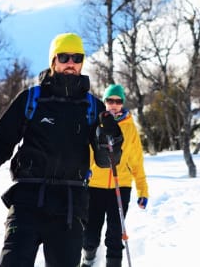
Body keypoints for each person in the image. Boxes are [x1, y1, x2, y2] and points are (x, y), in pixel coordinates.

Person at [0, 32, 123, 267]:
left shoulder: (92, 107)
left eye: (76, 58)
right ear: (53, 61)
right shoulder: (31, 99)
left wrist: (111, 139)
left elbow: (105, 161)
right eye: (64, 57)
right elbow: (1, 144)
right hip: (28, 199)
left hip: (70, 206)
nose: (71, 63)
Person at [81, 84, 149, 267]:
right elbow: (87, 152)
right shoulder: (96, 122)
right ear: (104, 102)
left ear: (122, 103)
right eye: (110, 100)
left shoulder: (129, 128)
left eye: (118, 101)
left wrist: (143, 190)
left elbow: (136, 161)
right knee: (90, 233)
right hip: (95, 185)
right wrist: (84, 171)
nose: (114, 104)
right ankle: (88, 257)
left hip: (121, 186)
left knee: (115, 233)